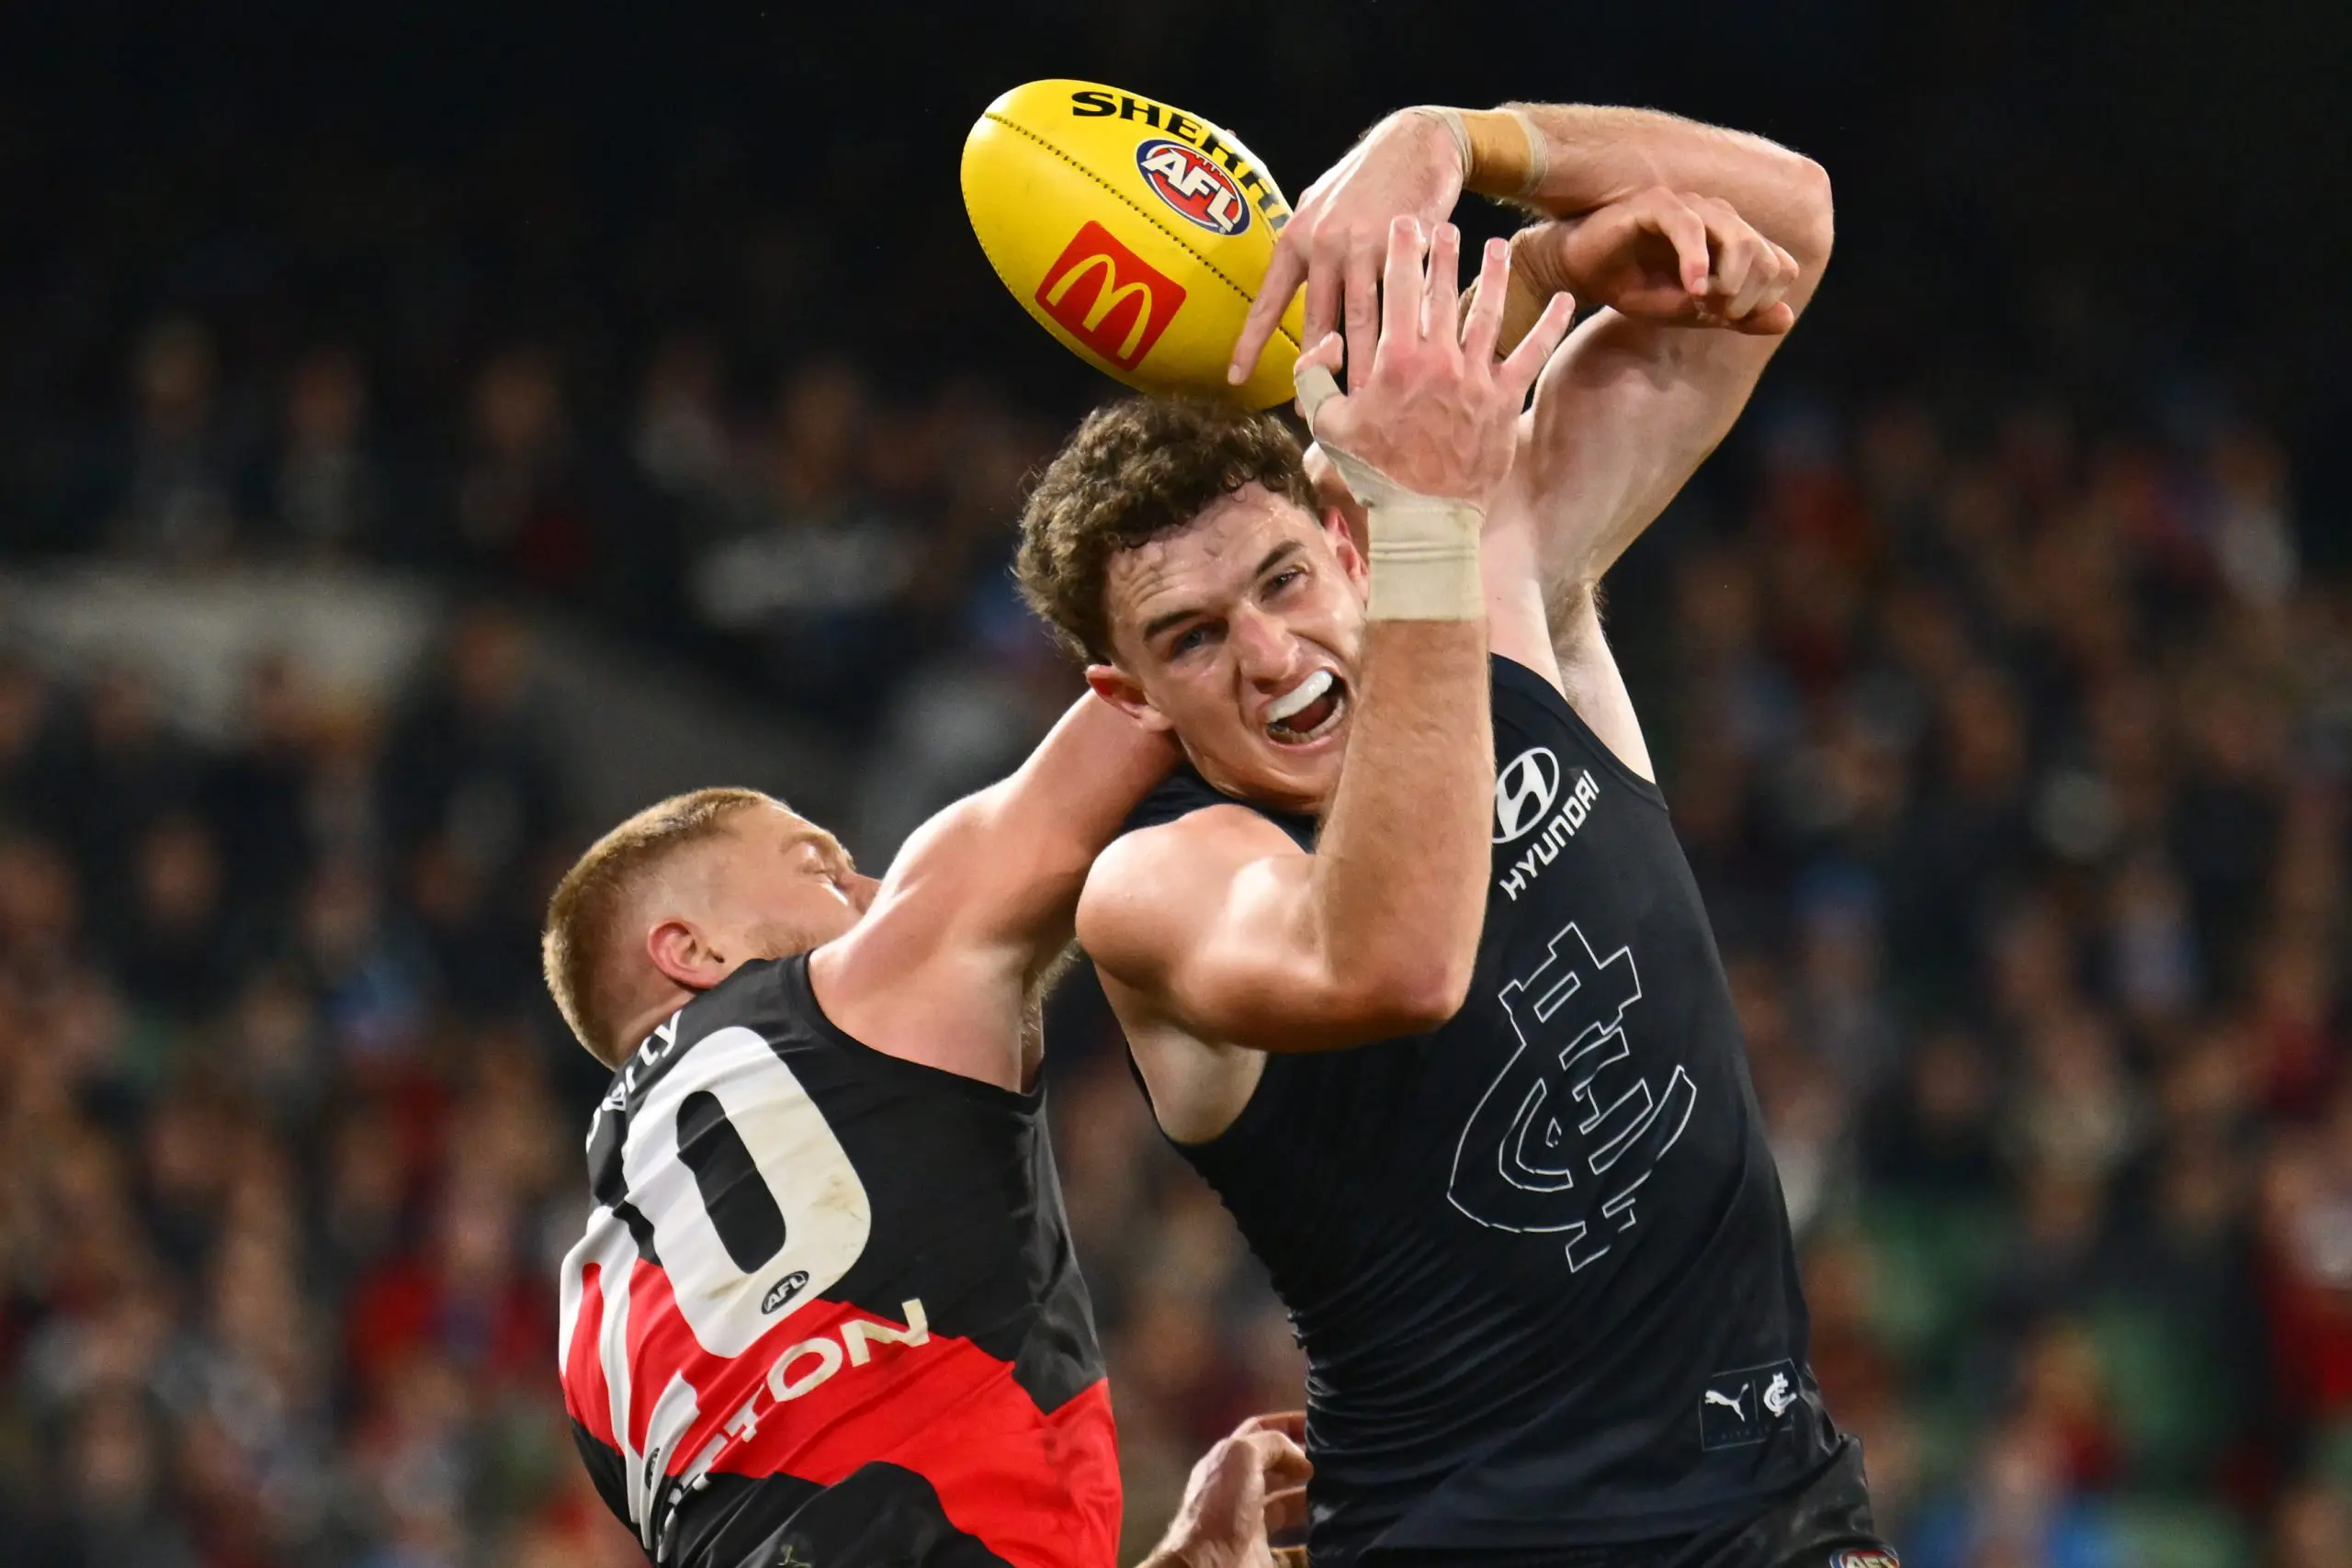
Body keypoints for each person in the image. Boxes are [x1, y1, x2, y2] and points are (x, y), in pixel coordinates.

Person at [544, 223, 1558, 1568]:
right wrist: (1300, 410)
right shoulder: (874, 977)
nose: (861, 874)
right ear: (688, 948)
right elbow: (1164, 687)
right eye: (809, 858)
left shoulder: (594, 1312)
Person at [1018, 101, 1895, 1565]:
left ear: (1340, 543)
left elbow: (1786, 234)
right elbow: (1398, 956)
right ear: (1130, 692)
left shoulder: (1495, 593)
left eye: (1285, 579)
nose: (1269, 653)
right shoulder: (1163, 885)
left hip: (1787, 1514)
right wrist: (1428, 509)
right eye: (1190, 636)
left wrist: (1481, 157)